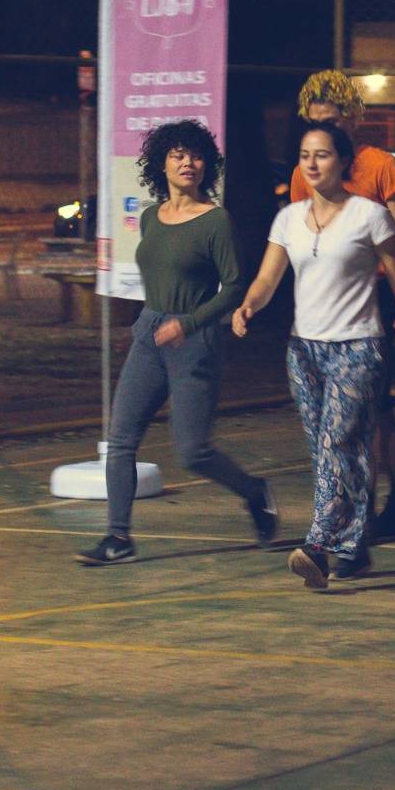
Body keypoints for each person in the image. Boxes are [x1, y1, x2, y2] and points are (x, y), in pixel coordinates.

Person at [235, 120, 395, 588]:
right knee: (338, 452)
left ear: (343, 162)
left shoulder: (369, 215)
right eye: (305, 155)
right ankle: (356, 550)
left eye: (321, 154)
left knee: (337, 444)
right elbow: (267, 278)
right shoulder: (288, 219)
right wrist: (249, 305)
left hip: (358, 346)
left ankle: (318, 546)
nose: (311, 163)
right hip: (304, 351)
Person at [76, 120, 279, 566]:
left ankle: (254, 491)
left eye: (196, 155)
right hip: (149, 334)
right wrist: (148, 323)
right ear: (161, 164)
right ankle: (118, 538)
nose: (188, 163)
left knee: (192, 452)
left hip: (195, 339)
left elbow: (233, 287)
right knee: (120, 439)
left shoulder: (216, 220)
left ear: (208, 165)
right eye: (178, 155)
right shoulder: (151, 216)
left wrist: (187, 323)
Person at [288, 70, 395, 539]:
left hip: (376, 296)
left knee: (362, 410)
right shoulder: (304, 173)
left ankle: (358, 518)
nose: (323, 130)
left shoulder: (378, 165)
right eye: (314, 122)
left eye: (330, 121)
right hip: (329, 302)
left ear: (351, 117)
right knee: (367, 409)